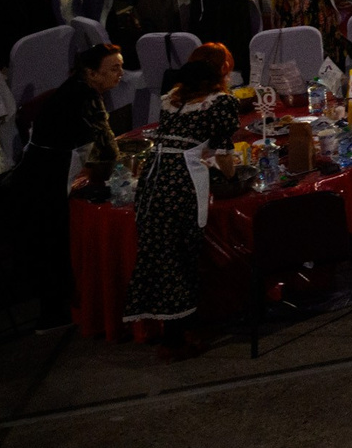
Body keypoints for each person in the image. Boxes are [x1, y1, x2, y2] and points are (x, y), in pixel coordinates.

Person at [123, 58, 243, 351]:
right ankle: (180, 334)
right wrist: (234, 177)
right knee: (181, 255)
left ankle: (170, 328)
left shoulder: (171, 102)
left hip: (153, 180)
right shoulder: (219, 103)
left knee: (158, 253)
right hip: (181, 181)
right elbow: (224, 151)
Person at [17, 41, 124, 329]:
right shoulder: (84, 95)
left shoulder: (76, 87)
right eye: (113, 68)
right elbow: (107, 149)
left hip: (41, 166)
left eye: (121, 67)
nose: (120, 74)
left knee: (49, 241)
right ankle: (55, 315)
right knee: (53, 240)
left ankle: (55, 309)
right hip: (46, 175)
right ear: (91, 73)